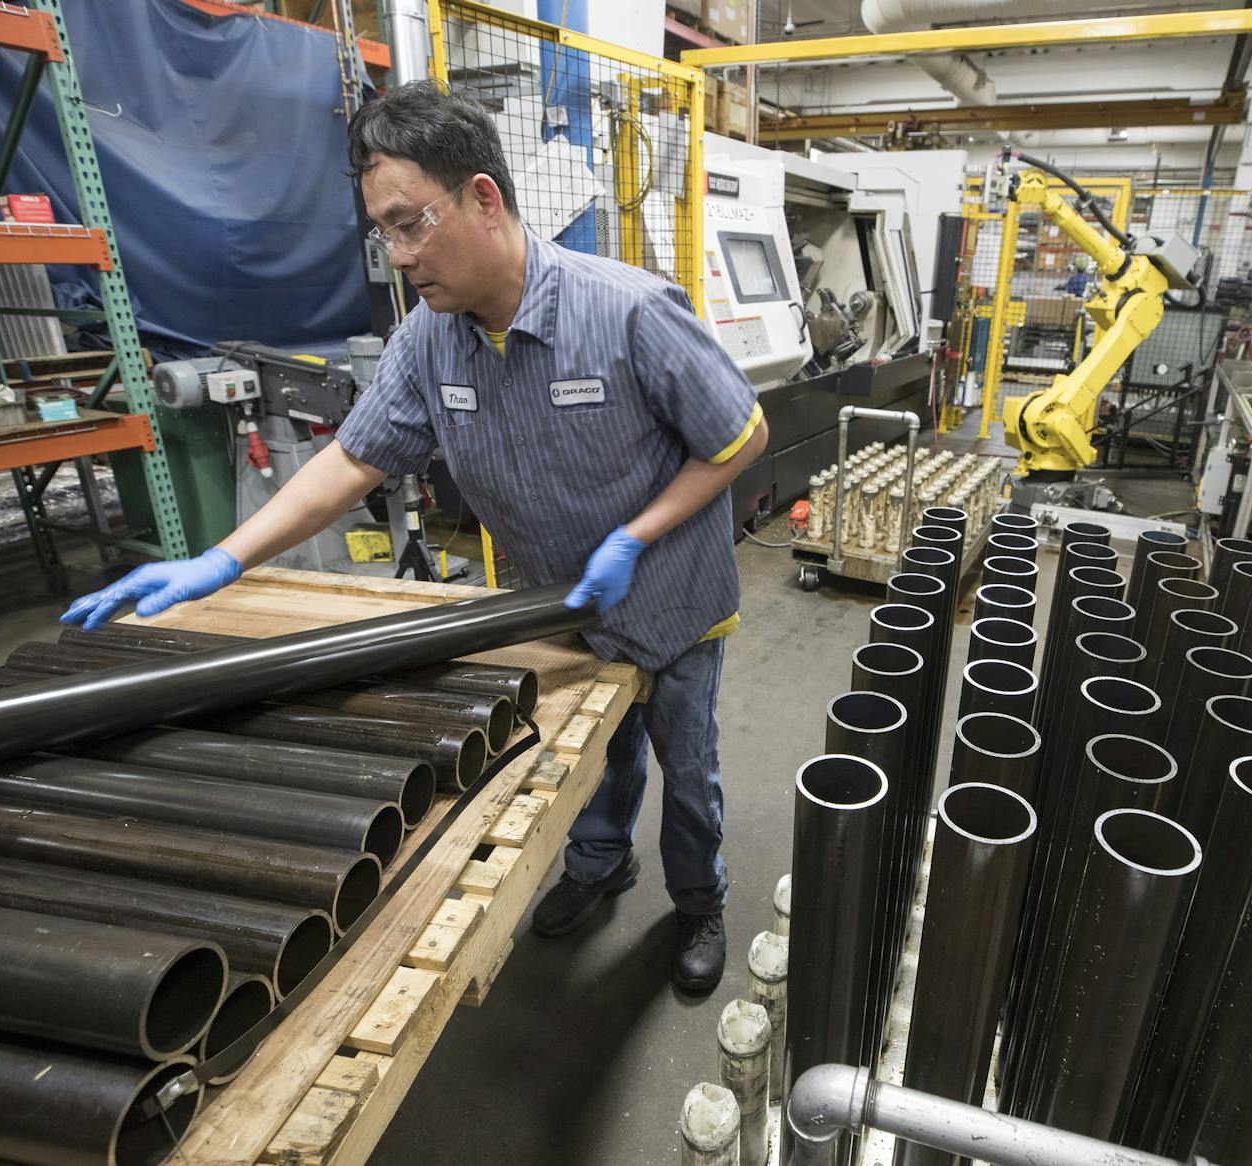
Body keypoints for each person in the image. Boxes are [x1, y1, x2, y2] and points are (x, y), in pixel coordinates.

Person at [59, 81, 766, 995]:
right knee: (598, 756)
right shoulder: (429, 343)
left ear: (483, 197)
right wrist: (223, 558)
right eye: (382, 234)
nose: (398, 257)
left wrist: (638, 533)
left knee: (688, 766)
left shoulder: (624, 311)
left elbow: (740, 434)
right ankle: (598, 868)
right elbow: (350, 463)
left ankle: (698, 900)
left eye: (410, 224)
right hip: (560, 605)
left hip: (672, 599)